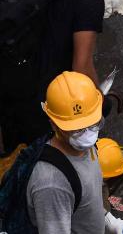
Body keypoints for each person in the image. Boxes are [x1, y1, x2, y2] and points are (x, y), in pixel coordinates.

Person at [0, 0, 121, 153]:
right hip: (44, 102)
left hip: (9, 81)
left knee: (14, 155)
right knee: (39, 160)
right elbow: (81, 67)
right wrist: (99, 101)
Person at [26, 71, 106, 233]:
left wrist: (109, 220)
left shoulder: (84, 147)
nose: (88, 134)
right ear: (54, 125)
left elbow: (89, 199)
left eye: (93, 124)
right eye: (76, 129)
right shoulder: (51, 184)